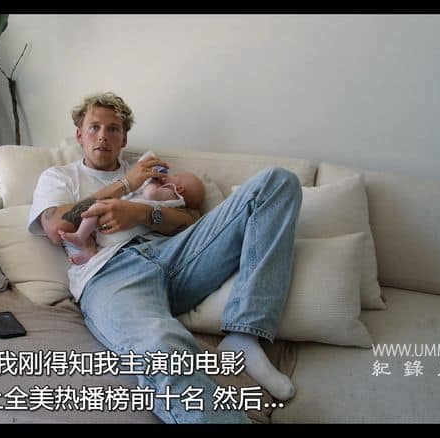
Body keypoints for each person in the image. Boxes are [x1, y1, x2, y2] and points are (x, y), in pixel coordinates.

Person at [28, 92, 302, 423]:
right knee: (161, 348)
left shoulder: (148, 170)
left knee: (277, 182)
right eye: (94, 127)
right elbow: (56, 226)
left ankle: (244, 335)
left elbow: (191, 218)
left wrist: (142, 213)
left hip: (176, 256)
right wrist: (124, 184)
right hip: (110, 275)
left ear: (124, 138)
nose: (103, 136)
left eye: (113, 129)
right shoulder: (59, 176)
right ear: (79, 134)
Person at [58, 155, 206, 265]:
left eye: (175, 176)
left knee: (95, 208)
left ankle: (81, 237)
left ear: (180, 188)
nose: (169, 175)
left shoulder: (171, 194)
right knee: (93, 215)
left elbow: (150, 194)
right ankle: (89, 250)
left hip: (125, 234)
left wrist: (153, 180)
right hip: (114, 232)